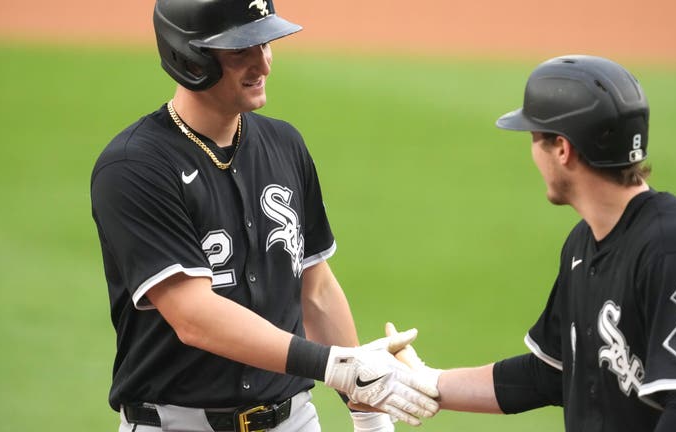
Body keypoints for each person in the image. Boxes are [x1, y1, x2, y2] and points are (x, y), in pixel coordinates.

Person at [90, 1, 439, 431]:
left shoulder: (285, 144)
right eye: (241, 50)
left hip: (293, 419)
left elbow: (316, 290)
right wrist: (336, 365)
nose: (263, 64)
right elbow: (193, 316)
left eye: (265, 44)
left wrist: (366, 407)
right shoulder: (135, 166)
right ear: (190, 59)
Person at [391, 55, 676, 431]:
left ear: (563, 149)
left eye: (535, 139)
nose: (533, 154)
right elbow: (548, 374)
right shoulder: (583, 245)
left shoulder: (671, 249)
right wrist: (427, 383)